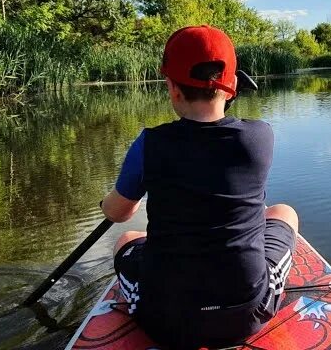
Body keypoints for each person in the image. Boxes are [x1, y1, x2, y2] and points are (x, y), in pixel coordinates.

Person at [99, 25, 299, 349]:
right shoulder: (261, 137)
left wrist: (111, 202)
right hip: (244, 315)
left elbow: (118, 212)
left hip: (166, 319)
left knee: (129, 237)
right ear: (232, 86)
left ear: (172, 89)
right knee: (283, 212)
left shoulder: (149, 145)